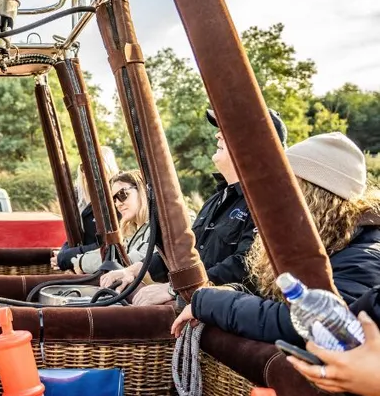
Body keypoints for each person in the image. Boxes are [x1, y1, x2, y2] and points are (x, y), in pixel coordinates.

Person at [171, 133, 380, 345]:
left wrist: (209, 302)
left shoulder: (364, 258)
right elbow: (269, 298)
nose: (272, 201)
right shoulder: (325, 240)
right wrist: (230, 291)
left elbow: (304, 324)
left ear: (312, 198)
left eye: (283, 189)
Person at [101, 108, 288, 306]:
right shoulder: (217, 199)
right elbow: (184, 253)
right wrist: (131, 272)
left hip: (225, 321)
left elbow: (247, 267)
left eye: (227, 130)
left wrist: (175, 289)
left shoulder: (269, 203)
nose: (217, 134)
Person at [72, 170, 152, 281]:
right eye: (114, 199)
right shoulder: (131, 231)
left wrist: (81, 262)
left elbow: (128, 261)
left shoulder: (155, 228)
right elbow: (112, 253)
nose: (118, 204)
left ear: (142, 191)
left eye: (122, 195)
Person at [52, 147, 121, 271]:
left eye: (93, 167)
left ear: (107, 168)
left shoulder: (116, 202)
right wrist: (63, 253)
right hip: (83, 266)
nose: (86, 173)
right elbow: (78, 237)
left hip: (103, 268)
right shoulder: (79, 198)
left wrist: (65, 257)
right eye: (84, 168)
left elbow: (108, 244)